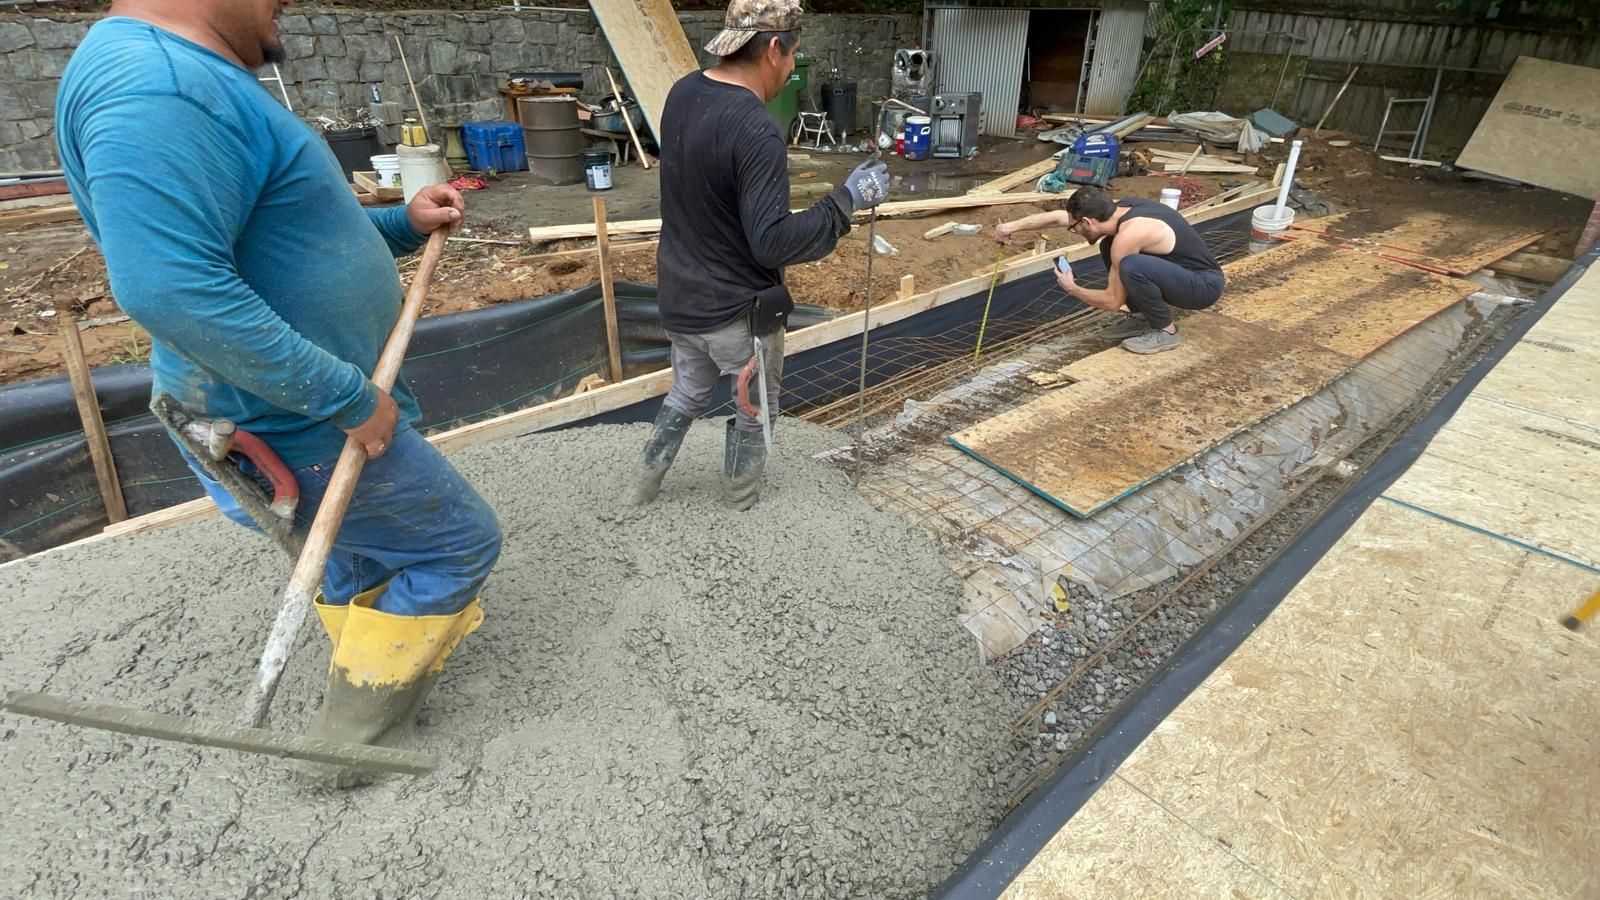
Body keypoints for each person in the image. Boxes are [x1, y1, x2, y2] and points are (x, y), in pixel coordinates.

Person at [56, 0, 502, 762]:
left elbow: (279, 230)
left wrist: (402, 225)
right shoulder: (158, 88)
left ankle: (361, 661)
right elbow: (172, 288)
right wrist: (346, 398)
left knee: (356, 556)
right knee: (457, 543)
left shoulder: (178, 72)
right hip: (288, 416)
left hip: (278, 405)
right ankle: (354, 736)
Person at [630, 0, 889, 510]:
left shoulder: (684, 93)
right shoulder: (754, 128)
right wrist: (845, 202)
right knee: (754, 408)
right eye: (794, 57)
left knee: (686, 393)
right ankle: (741, 502)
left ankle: (640, 487)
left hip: (680, 298)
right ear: (775, 49)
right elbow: (770, 241)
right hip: (736, 315)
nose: (793, 68)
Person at [994, 185, 1225, 353]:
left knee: (1130, 264)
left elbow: (1113, 302)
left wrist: (1072, 288)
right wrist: (1008, 228)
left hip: (1203, 287)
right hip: (1181, 274)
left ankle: (1167, 332)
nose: (1075, 231)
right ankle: (1141, 317)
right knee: (1109, 244)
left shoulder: (1129, 235)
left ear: (1088, 221)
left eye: (1075, 228)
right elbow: (1057, 219)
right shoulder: (1119, 210)